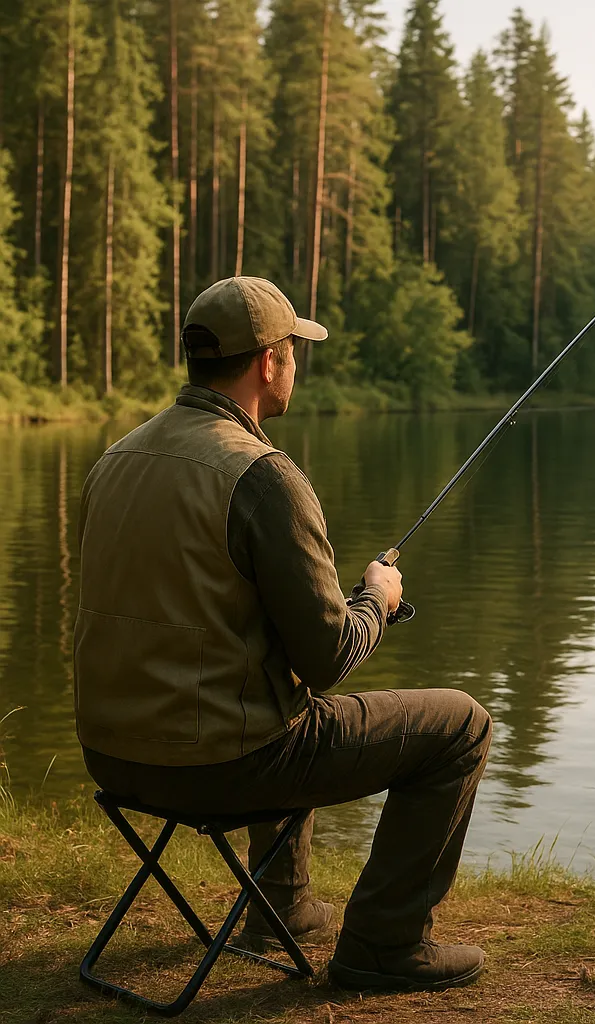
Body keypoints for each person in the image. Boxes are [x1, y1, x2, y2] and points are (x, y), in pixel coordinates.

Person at [73, 276, 492, 992]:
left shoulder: (117, 458)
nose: (297, 363)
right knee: (462, 725)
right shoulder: (264, 477)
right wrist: (376, 599)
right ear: (269, 362)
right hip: (219, 766)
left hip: (112, 757)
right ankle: (384, 946)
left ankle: (284, 910)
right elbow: (327, 659)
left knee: (274, 683)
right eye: (294, 350)